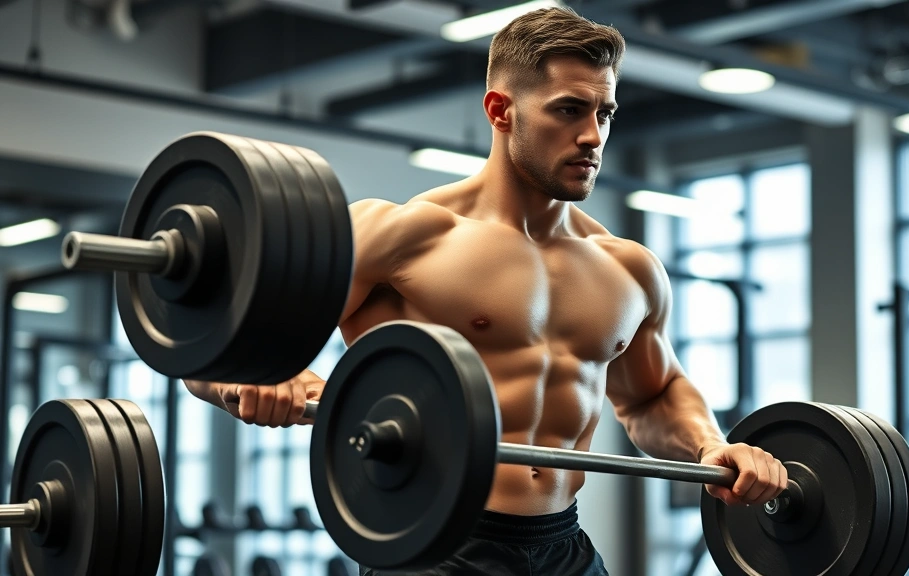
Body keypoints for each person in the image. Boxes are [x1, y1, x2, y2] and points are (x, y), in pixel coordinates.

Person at [184, 6, 788, 575]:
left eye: (604, 114)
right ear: (501, 110)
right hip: (435, 547)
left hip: (563, 545)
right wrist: (258, 379)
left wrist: (710, 445)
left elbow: (653, 396)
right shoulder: (401, 235)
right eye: (569, 110)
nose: (592, 136)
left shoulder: (628, 268)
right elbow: (213, 353)